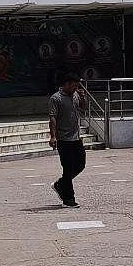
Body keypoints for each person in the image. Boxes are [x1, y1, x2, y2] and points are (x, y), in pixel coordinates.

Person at [49, 71, 88, 208]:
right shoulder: (56, 98)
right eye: (74, 86)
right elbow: (52, 118)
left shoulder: (76, 95)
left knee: (80, 164)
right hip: (63, 138)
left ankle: (60, 184)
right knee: (67, 167)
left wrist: (83, 98)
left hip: (76, 137)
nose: (75, 89)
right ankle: (68, 199)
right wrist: (53, 136)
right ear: (66, 84)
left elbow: (83, 109)